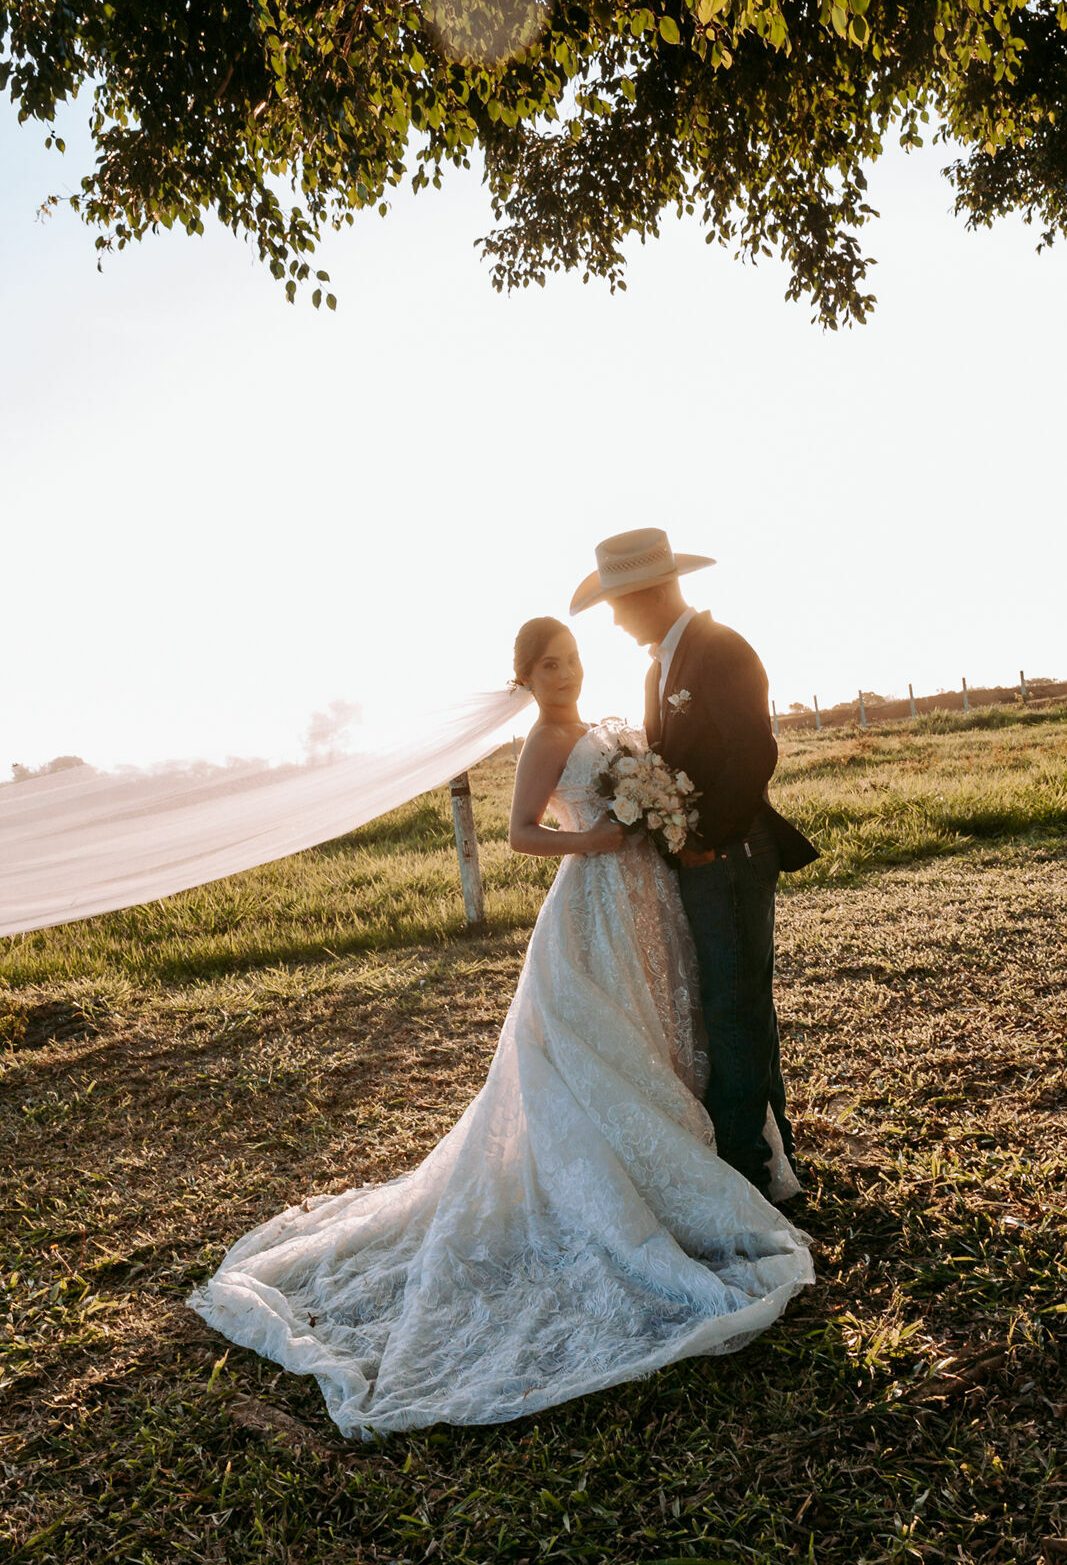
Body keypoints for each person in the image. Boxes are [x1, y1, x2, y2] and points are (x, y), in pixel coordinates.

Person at [188, 616, 813, 1440]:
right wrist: (598, 836)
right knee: (598, 1045)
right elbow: (521, 833)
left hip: (645, 903)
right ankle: (629, 1177)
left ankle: (701, 1148)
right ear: (524, 677)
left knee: (662, 1024)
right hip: (592, 903)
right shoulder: (543, 740)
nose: (566, 673)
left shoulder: (592, 728)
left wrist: (654, 819)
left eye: (573, 660)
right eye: (549, 665)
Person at [571, 528, 818, 1199]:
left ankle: (744, 1172)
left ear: (648, 592)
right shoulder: (659, 666)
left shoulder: (720, 649)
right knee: (737, 1005)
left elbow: (752, 752)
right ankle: (775, 1161)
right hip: (703, 858)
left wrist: (704, 834)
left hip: (732, 854)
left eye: (618, 605)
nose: (616, 621)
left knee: (732, 1007)